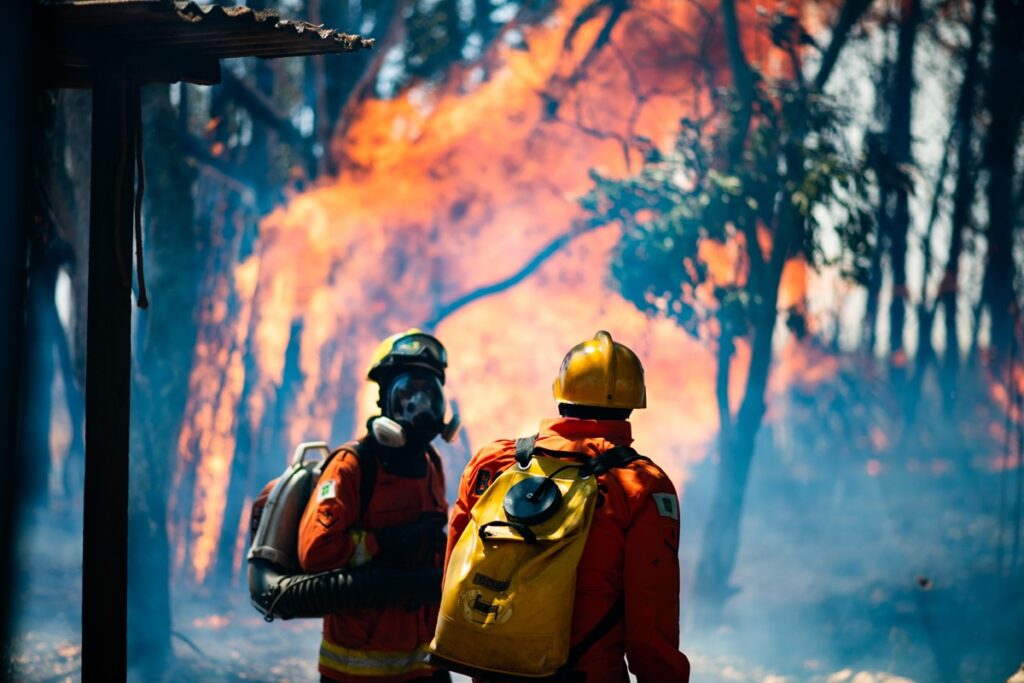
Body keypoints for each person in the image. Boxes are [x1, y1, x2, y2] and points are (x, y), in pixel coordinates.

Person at [444, 331, 691, 682]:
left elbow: (454, 577)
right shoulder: (641, 486)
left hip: (492, 671)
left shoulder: (493, 463)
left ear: (560, 395)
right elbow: (650, 624)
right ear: (632, 405)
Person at [298, 330, 456, 683]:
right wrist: (382, 544)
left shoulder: (431, 462)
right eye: (408, 392)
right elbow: (315, 552)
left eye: (430, 393)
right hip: (357, 669)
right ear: (385, 400)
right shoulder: (352, 466)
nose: (421, 405)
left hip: (425, 663)